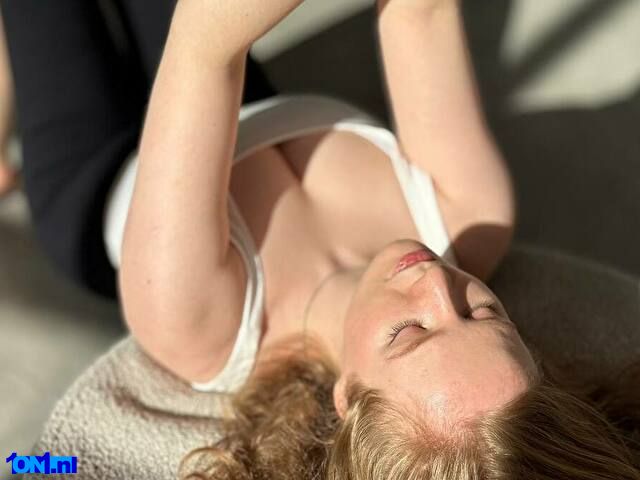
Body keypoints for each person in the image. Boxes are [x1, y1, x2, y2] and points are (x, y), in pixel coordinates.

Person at [5, 0, 640, 479]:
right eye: (485, 312)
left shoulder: (202, 320)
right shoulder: (469, 214)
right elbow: (420, 13)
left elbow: (202, 47)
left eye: (410, 332)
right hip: (242, 101)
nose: (435, 283)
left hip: (95, 167)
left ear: (346, 399)